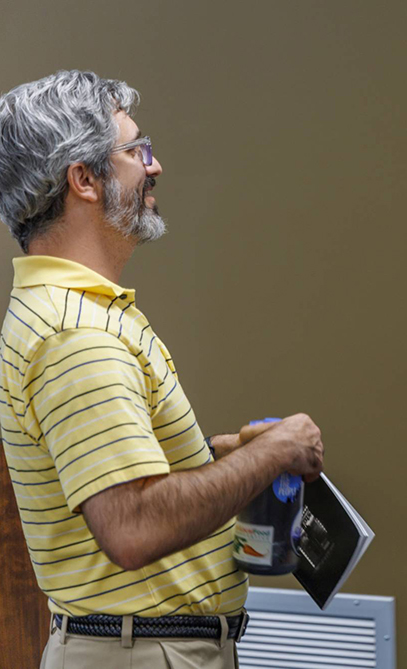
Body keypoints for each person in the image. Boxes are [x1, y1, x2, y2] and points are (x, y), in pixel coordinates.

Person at [0, 70, 325, 667]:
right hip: (141, 653)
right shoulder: (77, 334)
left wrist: (223, 451)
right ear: (84, 179)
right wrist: (272, 455)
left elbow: (119, 475)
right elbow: (131, 527)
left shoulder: (79, 313)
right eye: (136, 149)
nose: (154, 166)